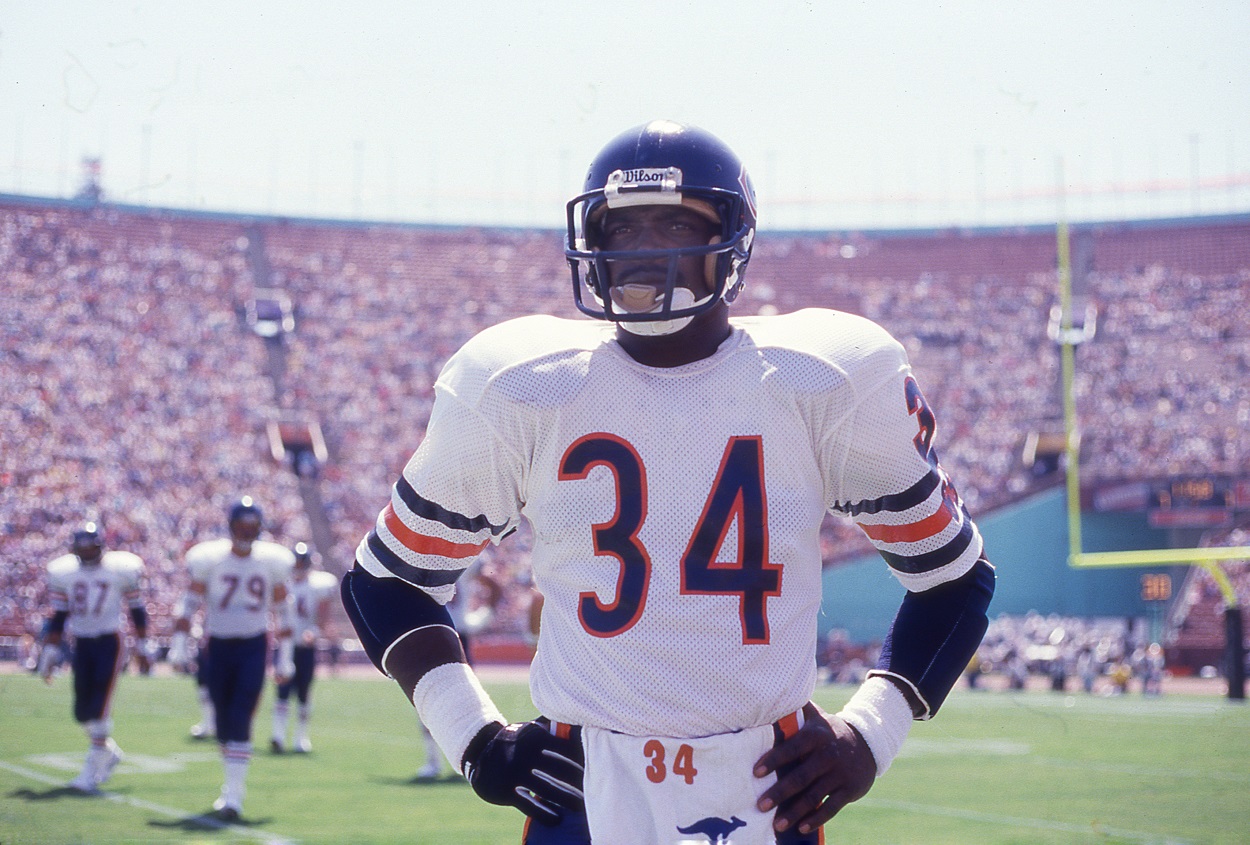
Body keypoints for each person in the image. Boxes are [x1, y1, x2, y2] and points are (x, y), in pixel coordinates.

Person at [340, 120, 996, 843]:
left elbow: (953, 577)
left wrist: (872, 732)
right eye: (623, 229)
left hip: (768, 784)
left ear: (735, 242)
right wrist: (474, 739)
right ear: (591, 247)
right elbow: (387, 582)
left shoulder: (826, 376)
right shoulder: (517, 383)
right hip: (584, 782)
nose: (648, 249)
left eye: (678, 222)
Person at [168, 497, 295, 822]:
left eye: (252, 527)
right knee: (223, 723)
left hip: (253, 646)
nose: (246, 532)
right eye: (241, 526)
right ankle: (230, 791)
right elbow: (189, 602)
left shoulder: (271, 562)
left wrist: (286, 658)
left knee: (241, 716)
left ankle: (234, 797)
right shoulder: (210, 559)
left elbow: (283, 611)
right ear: (231, 527)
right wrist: (179, 644)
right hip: (218, 647)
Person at [38, 522, 150, 793]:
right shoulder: (65, 573)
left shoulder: (120, 569)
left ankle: (89, 775)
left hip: (109, 642)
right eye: (83, 548)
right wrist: (50, 652)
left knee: (99, 708)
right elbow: (59, 616)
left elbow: (137, 610)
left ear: (100, 546)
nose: (87, 553)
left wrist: (143, 646)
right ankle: (108, 753)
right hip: (82, 642)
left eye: (91, 547)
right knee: (82, 713)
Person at [270, 542, 338, 754]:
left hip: (305, 647)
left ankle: (301, 738)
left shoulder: (318, 585)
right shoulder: (284, 584)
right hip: (285, 647)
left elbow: (323, 617)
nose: (299, 567)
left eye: (302, 563)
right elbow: (275, 613)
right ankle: (278, 736)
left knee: (303, 693)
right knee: (281, 691)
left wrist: (315, 632)